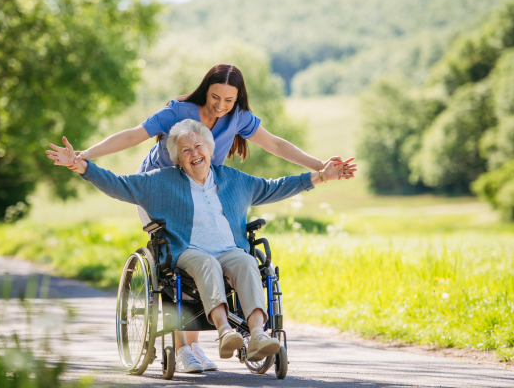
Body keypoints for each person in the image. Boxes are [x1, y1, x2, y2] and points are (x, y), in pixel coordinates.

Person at [46, 64, 354, 372]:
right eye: (215, 97)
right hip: (163, 189)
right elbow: (131, 139)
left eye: (229, 100)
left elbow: (274, 153)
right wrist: (83, 159)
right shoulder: (177, 115)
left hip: (209, 190)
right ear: (205, 90)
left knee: (245, 261)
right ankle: (189, 348)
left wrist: (322, 170)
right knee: (189, 257)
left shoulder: (234, 157)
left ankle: (253, 336)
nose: (221, 106)